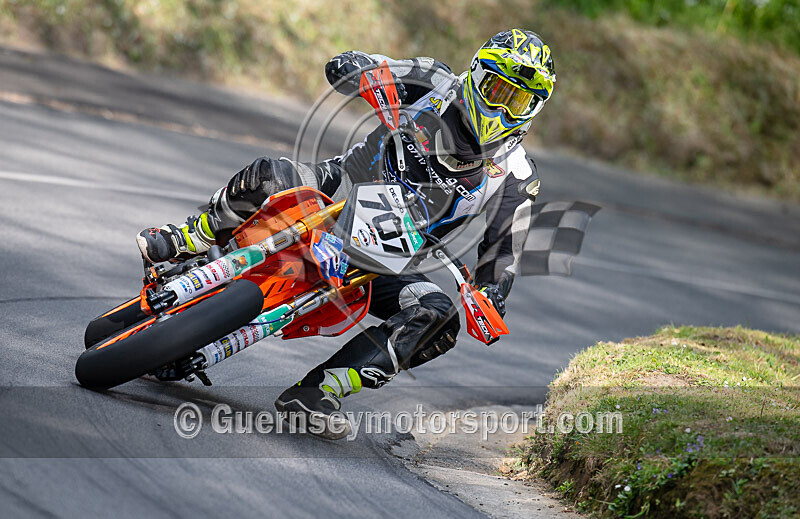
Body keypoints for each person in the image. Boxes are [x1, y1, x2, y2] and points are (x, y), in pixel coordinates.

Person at [137, 29, 555, 439]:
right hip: (339, 188)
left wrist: (490, 296)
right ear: (476, 75)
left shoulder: (517, 175)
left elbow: (505, 248)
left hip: (390, 256)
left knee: (437, 315)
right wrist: (356, 68)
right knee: (272, 173)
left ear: (533, 110)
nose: (501, 108)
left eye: (517, 100)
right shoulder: (435, 81)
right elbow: (374, 67)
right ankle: (186, 237)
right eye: (496, 89)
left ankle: (319, 391)